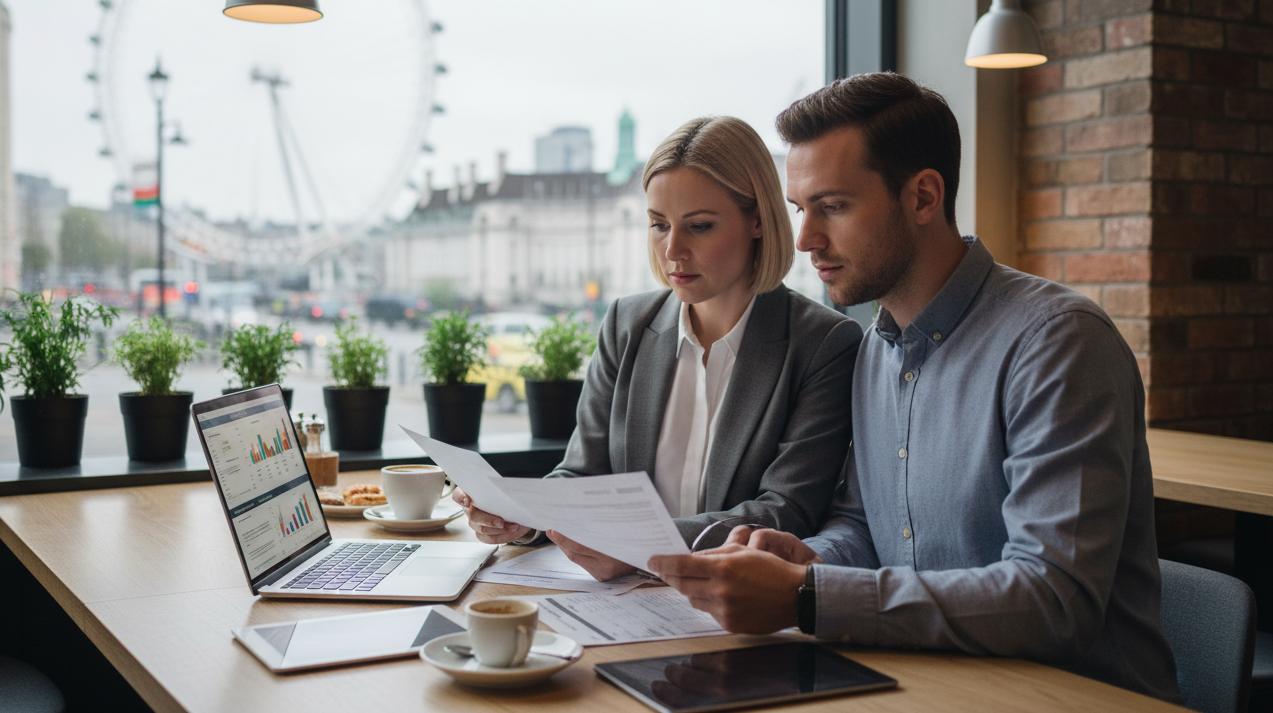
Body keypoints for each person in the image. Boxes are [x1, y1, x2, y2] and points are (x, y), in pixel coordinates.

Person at [648, 73, 1183, 704]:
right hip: (931, 684)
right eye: (801, 210)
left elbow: (1054, 600)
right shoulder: (876, 348)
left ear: (924, 196)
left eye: (834, 207)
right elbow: (869, 530)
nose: (806, 239)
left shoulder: (1058, 343)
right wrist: (802, 557)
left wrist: (807, 595)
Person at [454, 115, 862, 581]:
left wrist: (638, 548)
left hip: (738, 609)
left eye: (700, 226)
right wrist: (523, 518)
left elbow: (786, 511)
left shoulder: (823, 344)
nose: (672, 251)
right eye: (659, 225)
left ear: (757, 221)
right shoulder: (627, 324)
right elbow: (582, 476)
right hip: (615, 603)